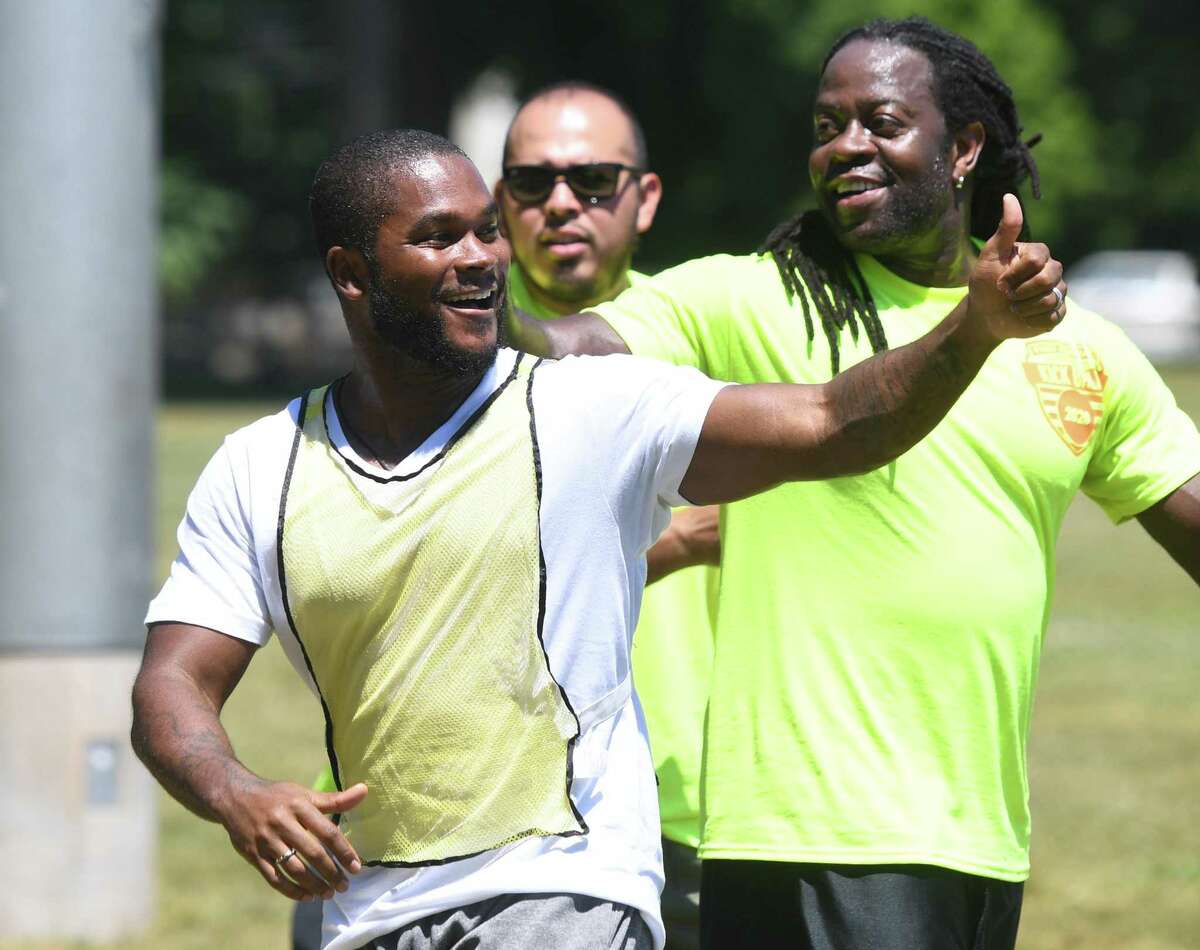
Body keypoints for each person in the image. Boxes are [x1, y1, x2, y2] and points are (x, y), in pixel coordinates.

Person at [131, 128, 1065, 950]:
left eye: (487, 230)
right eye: (439, 237)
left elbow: (830, 420)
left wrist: (973, 328)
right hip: (367, 913)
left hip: (564, 896)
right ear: (350, 272)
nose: (481, 258)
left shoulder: (590, 410)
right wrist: (236, 791)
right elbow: (173, 686)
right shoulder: (261, 467)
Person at [503, 17, 1200, 950]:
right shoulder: (751, 300)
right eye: (827, 126)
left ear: (964, 148)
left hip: (984, 847)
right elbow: (567, 347)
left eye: (881, 122)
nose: (844, 146)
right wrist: (472, 291)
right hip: (804, 846)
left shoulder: (1076, 346)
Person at [496, 80, 716, 950]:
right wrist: (674, 542)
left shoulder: (709, 332)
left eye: (592, 180)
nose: (560, 203)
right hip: (491, 800)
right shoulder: (443, 354)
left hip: (688, 799)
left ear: (645, 197)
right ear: (500, 200)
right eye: (531, 182)